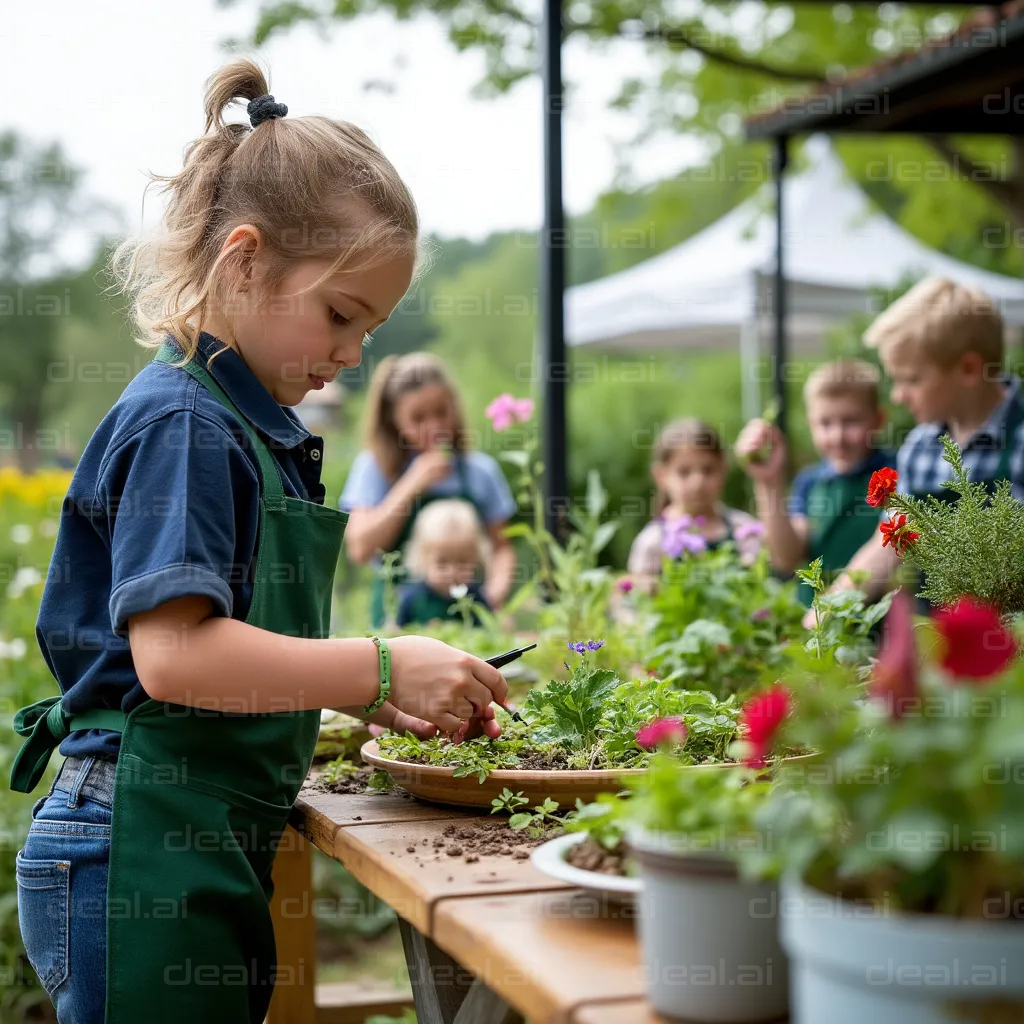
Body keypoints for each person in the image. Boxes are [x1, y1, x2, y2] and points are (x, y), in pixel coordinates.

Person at [9, 59, 508, 1024]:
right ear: (243, 260)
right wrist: (379, 663)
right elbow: (175, 656)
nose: (353, 354)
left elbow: (239, 646)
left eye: (371, 329)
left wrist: (374, 696)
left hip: (192, 833)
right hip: (133, 839)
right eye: (340, 315)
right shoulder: (185, 426)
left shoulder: (243, 426)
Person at [808, 277, 1024, 619]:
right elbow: (888, 547)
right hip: (937, 635)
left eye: (911, 380)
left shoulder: (1019, 440)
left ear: (968, 369)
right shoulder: (921, 447)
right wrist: (825, 613)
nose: (897, 396)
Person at [341, 352, 517, 626]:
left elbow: (501, 547)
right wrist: (412, 483)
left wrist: (493, 597)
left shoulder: (480, 471)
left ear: (454, 407)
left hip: (467, 621)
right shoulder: (373, 469)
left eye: (441, 412)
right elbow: (360, 549)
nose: (434, 426)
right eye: (418, 418)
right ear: (393, 420)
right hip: (396, 624)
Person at [735, 360, 895, 605]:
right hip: (815, 616)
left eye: (851, 421)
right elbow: (787, 558)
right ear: (811, 424)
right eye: (825, 423)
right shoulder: (809, 482)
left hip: (882, 616)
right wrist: (768, 482)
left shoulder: (896, 472)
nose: (838, 436)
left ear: (878, 419)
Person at [627, 418, 763, 584]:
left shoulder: (743, 528)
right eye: (684, 472)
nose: (698, 482)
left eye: (708, 470)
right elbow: (639, 592)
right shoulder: (652, 541)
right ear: (661, 476)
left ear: (724, 469)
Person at [396, 498, 491, 627]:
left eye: (462, 562)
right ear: (423, 560)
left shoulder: (476, 599)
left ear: (475, 559)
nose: (453, 572)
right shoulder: (412, 598)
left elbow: (490, 630)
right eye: (442, 563)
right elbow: (397, 632)